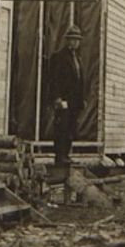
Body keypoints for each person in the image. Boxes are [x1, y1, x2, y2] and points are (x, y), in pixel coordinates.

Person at [42, 25, 86, 189]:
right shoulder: (59, 57)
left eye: (77, 40)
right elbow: (54, 80)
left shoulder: (78, 59)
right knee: (61, 127)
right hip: (63, 100)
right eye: (73, 40)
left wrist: (82, 100)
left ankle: (66, 154)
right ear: (67, 41)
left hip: (74, 102)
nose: (75, 43)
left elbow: (79, 81)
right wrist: (57, 98)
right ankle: (59, 157)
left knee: (71, 129)